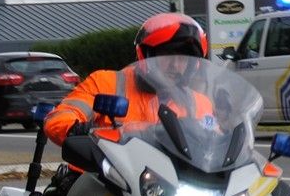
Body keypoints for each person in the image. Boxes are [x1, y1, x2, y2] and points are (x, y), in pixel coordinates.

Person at [43, 12, 210, 146]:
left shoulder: (199, 103)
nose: (175, 64)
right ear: (146, 56)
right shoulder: (105, 83)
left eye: (183, 58)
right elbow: (61, 116)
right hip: (104, 174)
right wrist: (78, 130)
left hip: (168, 181)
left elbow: (214, 140)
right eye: (167, 55)